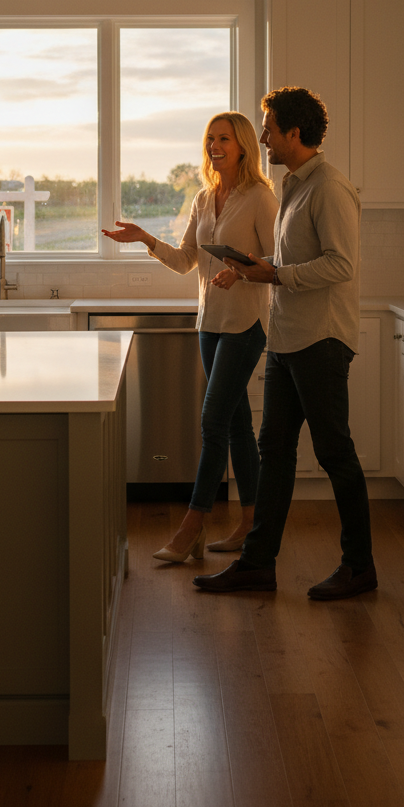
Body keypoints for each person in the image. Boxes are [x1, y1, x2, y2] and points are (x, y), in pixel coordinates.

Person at [192, 86, 377, 600]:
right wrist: (257, 270)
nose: (264, 137)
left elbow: (342, 265)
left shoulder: (330, 188)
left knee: (335, 451)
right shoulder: (294, 185)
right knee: (273, 450)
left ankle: (360, 566)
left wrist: (275, 276)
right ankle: (256, 564)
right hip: (287, 338)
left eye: (270, 128)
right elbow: (290, 260)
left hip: (321, 340)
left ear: (295, 132)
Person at [102, 112, 278, 562]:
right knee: (237, 427)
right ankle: (250, 525)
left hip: (245, 326)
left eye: (224, 138)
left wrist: (239, 272)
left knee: (212, 422)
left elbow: (276, 262)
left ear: (243, 146)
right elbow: (185, 261)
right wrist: (145, 238)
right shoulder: (203, 198)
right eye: (210, 138)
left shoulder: (259, 197)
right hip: (210, 326)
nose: (215, 145)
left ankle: (191, 526)